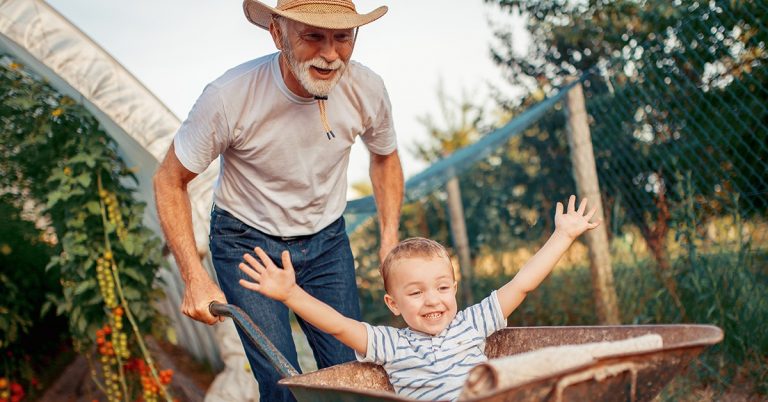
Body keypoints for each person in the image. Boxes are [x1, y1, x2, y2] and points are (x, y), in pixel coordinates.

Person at [152, 0, 403, 400]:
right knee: (280, 380)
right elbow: (169, 180)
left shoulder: (367, 89)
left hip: (327, 241)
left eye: (343, 37)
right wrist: (194, 277)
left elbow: (386, 157)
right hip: (246, 242)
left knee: (351, 373)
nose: (330, 54)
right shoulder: (228, 97)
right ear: (277, 33)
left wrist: (389, 236)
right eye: (313, 37)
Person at [238, 195, 600, 401]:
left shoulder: (473, 323)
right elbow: (339, 325)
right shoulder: (390, 344)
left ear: (454, 289)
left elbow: (522, 284)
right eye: (415, 292)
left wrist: (563, 237)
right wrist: (291, 293)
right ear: (393, 304)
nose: (432, 300)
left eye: (443, 288)